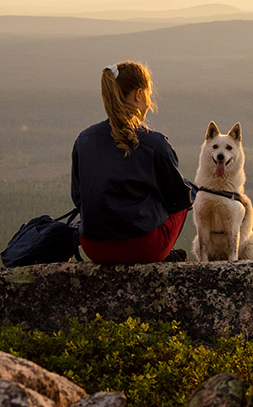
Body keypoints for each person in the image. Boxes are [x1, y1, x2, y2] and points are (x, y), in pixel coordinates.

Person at [70, 61, 191, 264]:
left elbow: (79, 198)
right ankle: (164, 255)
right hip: (143, 249)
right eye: (148, 94)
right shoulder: (154, 144)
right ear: (138, 95)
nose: (150, 100)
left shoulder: (84, 140)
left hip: (95, 247)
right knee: (188, 194)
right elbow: (178, 199)